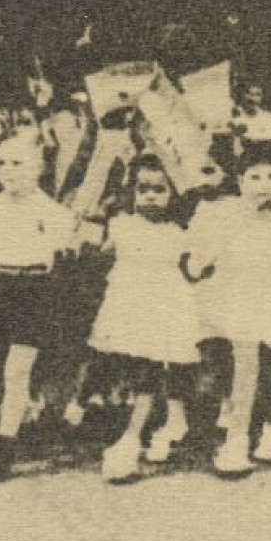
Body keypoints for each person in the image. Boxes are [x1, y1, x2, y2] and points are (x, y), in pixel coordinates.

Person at [183, 139, 271, 477]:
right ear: (240, 180)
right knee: (246, 369)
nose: (264, 185)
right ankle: (236, 440)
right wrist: (196, 266)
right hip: (241, 299)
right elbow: (203, 253)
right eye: (254, 177)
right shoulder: (227, 213)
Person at [0, 130, 76, 482]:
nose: (8, 170)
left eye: (18, 163)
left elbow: (59, 256)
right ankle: (8, 425)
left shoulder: (53, 212)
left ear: (38, 167)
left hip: (33, 289)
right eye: (1, 163)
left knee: (17, 370)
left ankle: (4, 445)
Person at [88, 155, 199, 483]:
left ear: (172, 194)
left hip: (166, 303)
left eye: (160, 189)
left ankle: (135, 439)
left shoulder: (179, 230)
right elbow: (104, 250)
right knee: (132, 368)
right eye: (143, 189)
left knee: (160, 365)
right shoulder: (121, 223)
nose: (150, 196)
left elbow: (194, 262)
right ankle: (135, 429)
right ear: (131, 192)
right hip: (127, 304)